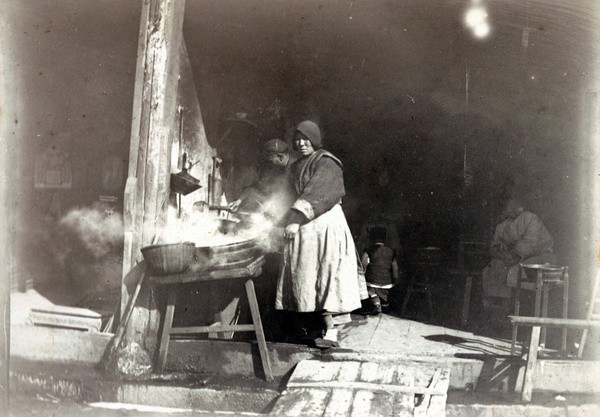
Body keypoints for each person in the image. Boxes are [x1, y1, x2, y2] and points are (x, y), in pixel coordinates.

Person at [276, 120, 361, 348]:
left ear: (315, 140)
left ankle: (331, 331)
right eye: (297, 140)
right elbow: (284, 195)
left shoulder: (327, 163)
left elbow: (319, 193)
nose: (301, 143)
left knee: (327, 275)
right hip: (305, 229)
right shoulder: (297, 166)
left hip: (324, 225)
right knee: (306, 277)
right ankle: (311, 328)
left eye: (305, 139)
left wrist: (294, 221)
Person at [481, 198, 556, 308]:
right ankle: (497, 304)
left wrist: (513, 256)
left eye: (513, 205)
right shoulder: (502, 226)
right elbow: (496, 243)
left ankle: (515, 307)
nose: (510, 208)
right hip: (513, 258)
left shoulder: (530, 218)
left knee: (515, 272)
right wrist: (499, 250)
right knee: (494, 267)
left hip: (539, 257)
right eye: (507, 206)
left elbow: (530, 242)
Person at [227, 138, 295, 224]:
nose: (270, 164)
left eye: (271, 161)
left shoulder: (297, 169)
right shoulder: (275, 169)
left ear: (280, 157)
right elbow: (257, 187)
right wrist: (239, 200)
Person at [361, 226, 399, 315]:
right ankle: (384, 303)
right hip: (387, 282)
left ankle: (376, 302)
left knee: (370, 290)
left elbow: (363, 265)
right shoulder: (391, 251)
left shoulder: (368, 250)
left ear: (372, 238)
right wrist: (395, 278)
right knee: (384, 292)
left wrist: (362, 275)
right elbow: (395, 267)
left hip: (372, 281)